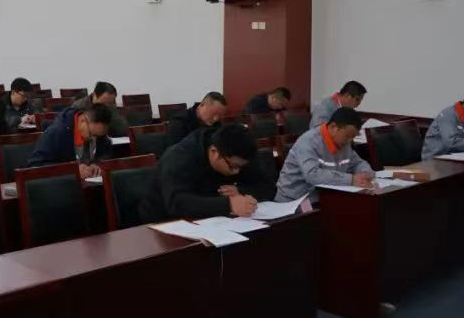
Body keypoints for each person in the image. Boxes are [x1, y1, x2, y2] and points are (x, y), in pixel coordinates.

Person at [140, 123, 274, 223]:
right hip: (163, 222)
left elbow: (269, 187)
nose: (236, 172)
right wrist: (229, 204)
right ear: (215, 152)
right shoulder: (180, 157)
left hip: (213, 220)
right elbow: (177, 203)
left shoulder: (241, 152)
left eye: (241, 167)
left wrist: (240, 191)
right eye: (233, 167)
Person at [276, 107, 374, 202]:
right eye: (347, 136)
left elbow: (357, 163)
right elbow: (312, 175)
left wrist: (365, 174)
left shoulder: (344, 143)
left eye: (353, 137)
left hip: (324, 197)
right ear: (334, 127)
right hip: (294, 201)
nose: (350, 141)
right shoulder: (308, 141)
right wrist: (351, 180)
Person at [27, 103, 113, 179]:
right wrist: (72, 170)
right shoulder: (56, 132)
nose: (94, 139)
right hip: (61, 184)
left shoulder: (98, 131)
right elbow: (35, 165)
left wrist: (97, 164)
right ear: (82, 120)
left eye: (99, 136)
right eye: (92, 134)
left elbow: (105, 151)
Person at [165, 92, 230, 146]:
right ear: (202, 105)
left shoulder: (216, 123)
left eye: (220, 115)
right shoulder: (179, 122)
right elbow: (174, 152)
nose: (216, 119)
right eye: (214, 113)